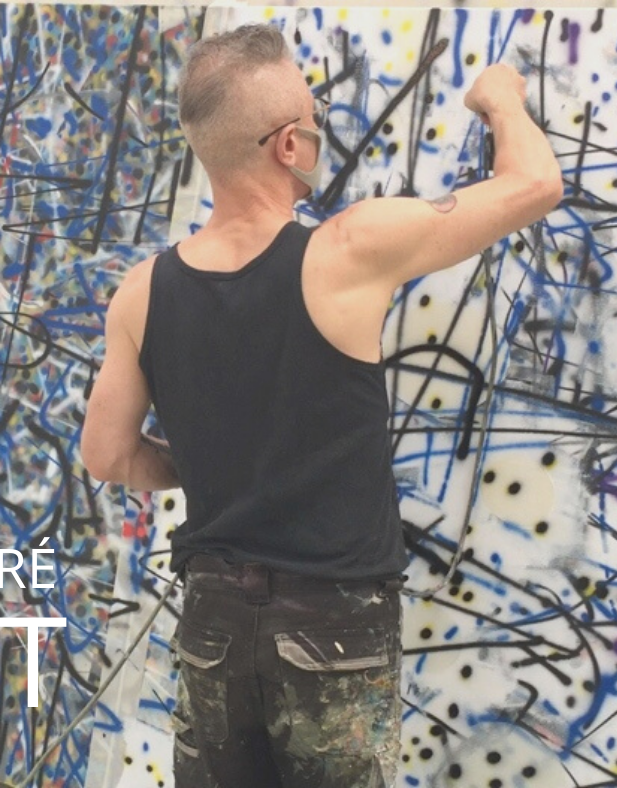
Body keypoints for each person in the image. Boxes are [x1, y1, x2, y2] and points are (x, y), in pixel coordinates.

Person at [79, 23, 562, 788]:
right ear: (287, 145)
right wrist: (501, 98)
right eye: (313, 119)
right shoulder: (347, 251)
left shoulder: (142, 293)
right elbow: (536, 183)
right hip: (334, 626)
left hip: (213, 620)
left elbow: (107, 455)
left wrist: (206, 468)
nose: (318, 134)